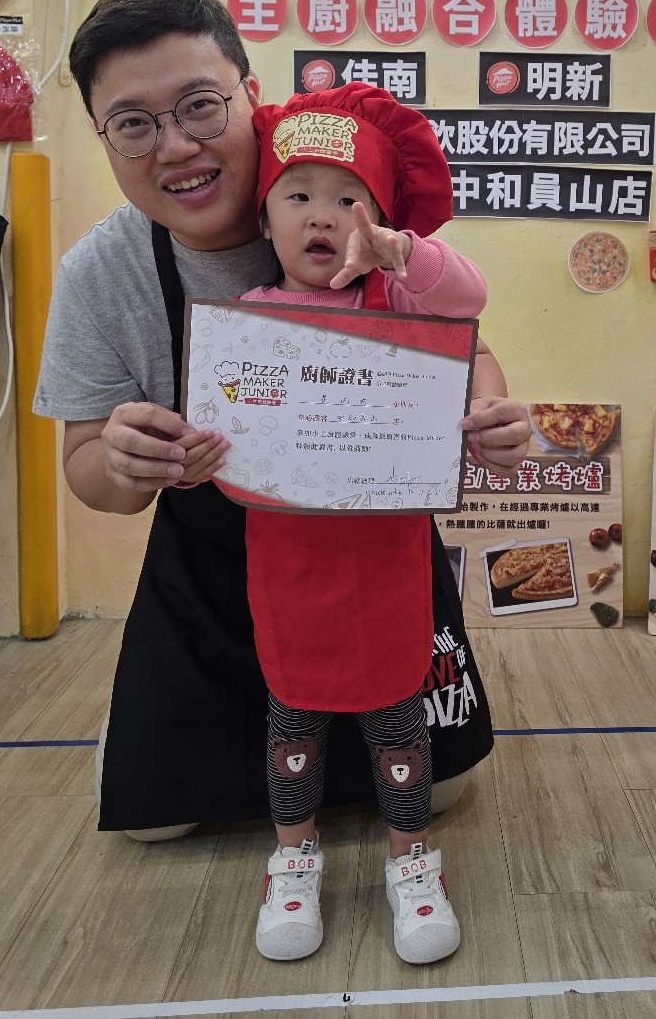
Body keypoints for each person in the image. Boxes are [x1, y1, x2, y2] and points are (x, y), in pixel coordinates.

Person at [32, 0, 531, 841]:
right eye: (134, 123)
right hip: (213, 569)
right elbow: (85, 470)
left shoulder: (343, 209)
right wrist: (120, 460)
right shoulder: (99, 275)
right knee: (155, 824)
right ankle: (148, 723)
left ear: (251, 96)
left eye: (200, 106)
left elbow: (463, 346)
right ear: (104, 137)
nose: (175, 146)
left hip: (372, 551)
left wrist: (489, 408)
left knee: (443, 790)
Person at [224, 84, 482, 963]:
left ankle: (411, 862)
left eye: (349, 199)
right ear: (264, 218)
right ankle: (293, 861)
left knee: (396, 718)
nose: (323, 216)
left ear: (379, 220)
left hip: (387, 562)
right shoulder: (248, 319)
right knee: (291, 717)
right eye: (298, 194)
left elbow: (468, 297)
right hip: (287, 563)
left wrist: (405, 255)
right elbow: (226, 435)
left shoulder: (399, 303)